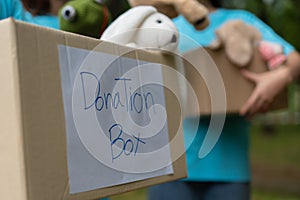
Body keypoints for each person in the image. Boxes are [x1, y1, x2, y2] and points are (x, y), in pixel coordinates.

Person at [148, 0, 300, 200]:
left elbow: (294, 59)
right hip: (168, 169)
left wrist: (282, 76)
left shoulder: (241, 21)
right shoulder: (162, 26)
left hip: (229, 170)